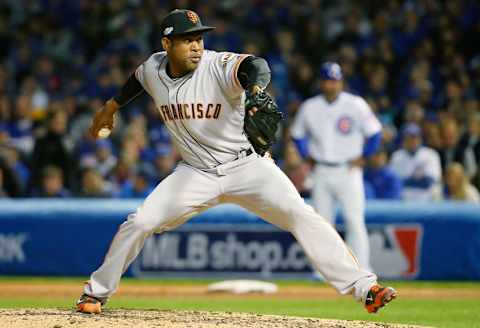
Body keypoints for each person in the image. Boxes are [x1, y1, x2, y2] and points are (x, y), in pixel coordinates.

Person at [76, 9, 396, 315]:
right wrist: (112, 106)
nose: (197, 46)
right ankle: (96, 291)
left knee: (301, 214)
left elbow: (256, 66)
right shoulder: (153, 68)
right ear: (166, 45)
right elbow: (136, 80)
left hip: (247, 166)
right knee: (140, 222)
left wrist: (255, 88)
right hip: (194, 172)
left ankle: (364, 287)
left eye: (199, 38)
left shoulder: (216, 65)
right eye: (188, 40)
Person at [290, 62, 383, 271]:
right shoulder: (310, 106)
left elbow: (375, 133)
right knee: (323, 224)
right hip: (321, 171)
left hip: (348, 170)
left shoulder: (355, 104)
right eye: (328, 81)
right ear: (321, 83)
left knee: (354, 220)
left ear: (341, 82)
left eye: (335, 81)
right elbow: (297, 135)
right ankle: (324, 271)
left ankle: (362, 269)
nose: (332, 85)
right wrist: (307, 155)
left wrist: (365, 156)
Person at [389, 123, 442, 201]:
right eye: (409, 137)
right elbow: (394, 182)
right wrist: (416, 180)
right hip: (404, 201)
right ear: (403, 139)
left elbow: (429, 182)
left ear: (420, 139)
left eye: (415, 137)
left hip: (427, 200)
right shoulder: (396, 156)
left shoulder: (431, 155)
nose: (412, 140)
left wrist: (405, 181)